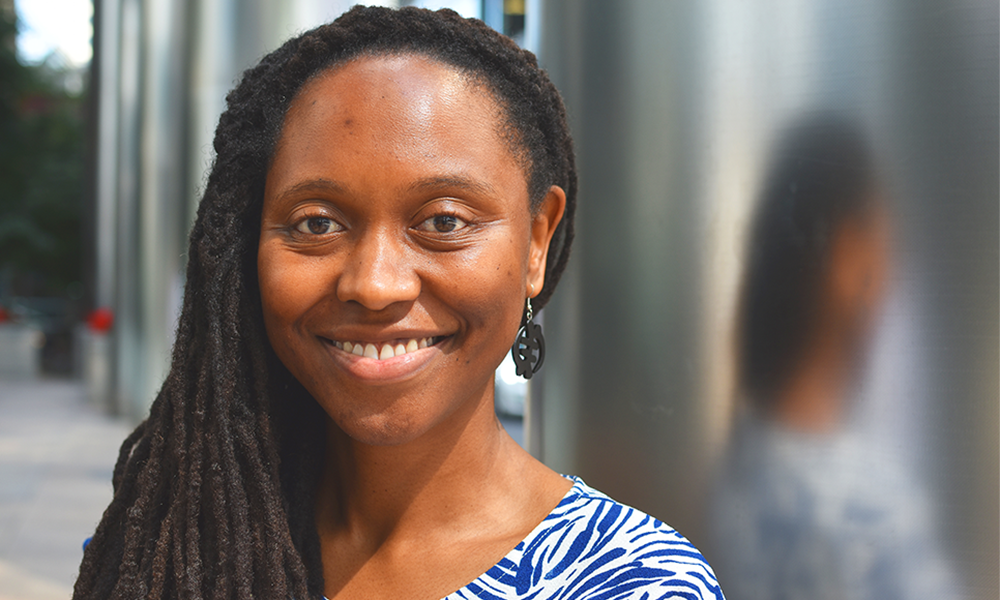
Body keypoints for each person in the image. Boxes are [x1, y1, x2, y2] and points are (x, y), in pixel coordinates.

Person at [74, 7, 723, 600]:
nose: (377, 284)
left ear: (535, 242)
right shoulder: (164, 551)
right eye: (317, 223)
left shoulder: (635, 583)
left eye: (442, 221)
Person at [709, 115, 961, 600]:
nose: (894, 278)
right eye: (885, 248)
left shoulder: (736, 473)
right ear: (848, 258)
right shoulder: (868, 509)